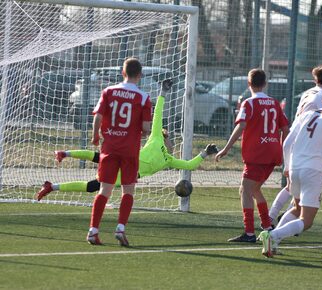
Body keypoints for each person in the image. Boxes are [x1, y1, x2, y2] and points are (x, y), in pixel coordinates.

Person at [36, 90, 218, 199]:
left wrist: (204, 153)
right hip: (128, 162)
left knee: (93, 185)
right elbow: (158, 116)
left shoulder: (169, 160)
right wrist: (162, 94)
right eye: (169, 137)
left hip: (128, 172)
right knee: (99, 158)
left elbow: (188, 165)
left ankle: (52, 186)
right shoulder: (156, 138)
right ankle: (65, 153)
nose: (172, 141)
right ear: (164, 138)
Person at [258, 85, 322, 257]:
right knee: (306, 220)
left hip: (295, 166)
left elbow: (287, 143)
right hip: (312, 171)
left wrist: (287, 168)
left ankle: (273, 243)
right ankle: (272, 235)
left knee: (296, 207)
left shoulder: (307, 115)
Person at [215, 68, 289, 243]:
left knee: (245, 190)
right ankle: (267, 226)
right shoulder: (274, 103)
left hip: (257, 153)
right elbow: (285, 129)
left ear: (249, 84)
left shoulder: (248, 103)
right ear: (265, 84)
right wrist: (282, 150)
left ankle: (249, 233)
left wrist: (226, 148)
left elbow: (241, 126)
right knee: (254, 189)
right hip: (273, 152)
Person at [86, 58, 152, 247]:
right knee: (128, 189)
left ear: (123, 73)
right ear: (139, 75)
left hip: (110, 148)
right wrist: (142, 129)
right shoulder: (143, 97)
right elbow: (146, 127)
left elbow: (98, 116)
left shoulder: (108, 91)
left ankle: (93, 231)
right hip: (129, 150)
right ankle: (120, 228)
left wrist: (96, 137)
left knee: (104, 190)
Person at [269, 65, 322, 225]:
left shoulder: (308, 93)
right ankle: (277, 219)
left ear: (315, 79)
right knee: (298, 187)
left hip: (296, 137)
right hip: (306, 142)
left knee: (294, 186)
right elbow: (320, 121)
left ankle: (274, 217)